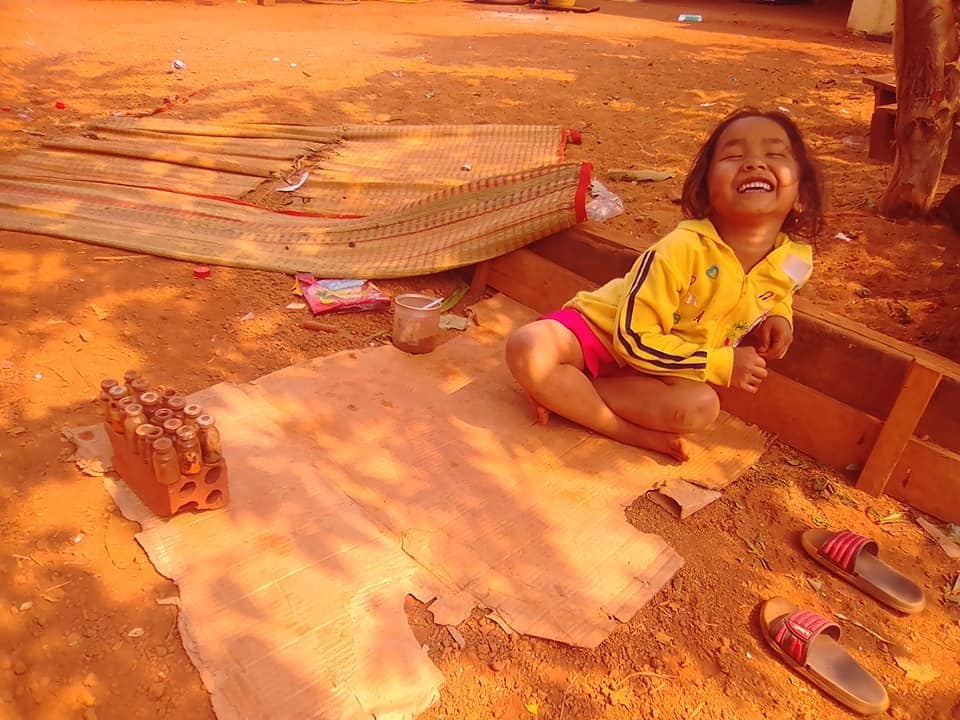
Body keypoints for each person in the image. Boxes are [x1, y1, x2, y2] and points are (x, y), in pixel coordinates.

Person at [505, 108, 824, 462]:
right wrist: (722, 364)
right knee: (528, 347)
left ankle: (569, 392)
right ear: (706, 191)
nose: (754, 163)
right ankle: (623, 430)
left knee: (701, 407)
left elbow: (780, 290)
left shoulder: (796, 259)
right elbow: (632, 338)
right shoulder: (681, 248)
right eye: (734, 156)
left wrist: (780, 316)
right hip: (607, 334)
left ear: (801, 194)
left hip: (667, 365)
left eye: (775, 154)